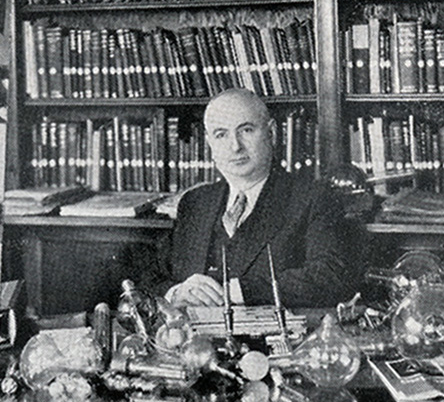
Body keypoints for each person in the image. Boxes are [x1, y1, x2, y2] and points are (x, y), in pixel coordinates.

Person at [140, 87, 362, 309]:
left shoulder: (313, 197)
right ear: (209, 143)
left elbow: (328, 276)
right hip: (194, 339)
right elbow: (151, 277)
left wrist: (234, 291)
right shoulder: (195, 202)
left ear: (271, 133)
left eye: (246, 130)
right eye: (221, 134)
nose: (235, 146)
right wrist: (176, 293)